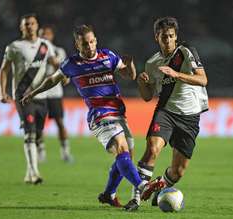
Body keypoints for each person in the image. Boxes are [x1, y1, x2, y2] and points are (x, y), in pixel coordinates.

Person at [21, 24, 148, 207]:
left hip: (118, 112)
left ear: (95, 40)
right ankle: (142, 186)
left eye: (91, 42)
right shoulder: (72, 64)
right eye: (85, 44)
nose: (89, 47)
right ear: (77, 44)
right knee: (122, 149)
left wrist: (131, 66)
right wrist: (33, 93)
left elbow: (129, 75)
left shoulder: (108, 56)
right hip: (99, 115)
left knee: (126, 154)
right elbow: (52, 80)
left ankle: (108, 194)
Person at [124, 17, 209, 211]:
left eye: (171, 36)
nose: (168, 40)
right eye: (164, 37)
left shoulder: (186, 52)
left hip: (189, 116)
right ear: (157, 37)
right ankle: (135, 198)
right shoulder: (152, 63)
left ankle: (159, 186)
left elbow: (203, 79)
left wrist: (176, 74)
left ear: (176, 37)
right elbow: (147, 97)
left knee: (178, 172)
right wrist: (142, 83)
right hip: (166, 112)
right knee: (152, 149)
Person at [0, 13, 59, 184]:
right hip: (23, 96)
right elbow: (4, 70)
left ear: (37, 25)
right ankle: (34, 173)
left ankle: (29, 172)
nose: (30, 27)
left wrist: (63, 73)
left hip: (42, 96)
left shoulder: (45, 46)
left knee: (38, 135)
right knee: (29, 134)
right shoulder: (14, 47)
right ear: (21, 27)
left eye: (32, 23)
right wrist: (2, 92)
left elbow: (55, 63)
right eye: (26, 24)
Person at [38, 25, 74, 163]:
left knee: (59, 122)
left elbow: (62, 70)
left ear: (52, 36)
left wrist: (51, 58)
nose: (44, 37)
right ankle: (41, 151)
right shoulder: (35, 52)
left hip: (54, 92)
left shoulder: (59, 51)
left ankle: (65, 152)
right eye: (42, 34)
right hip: (39, 93)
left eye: (47, 34)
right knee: (38, 123)